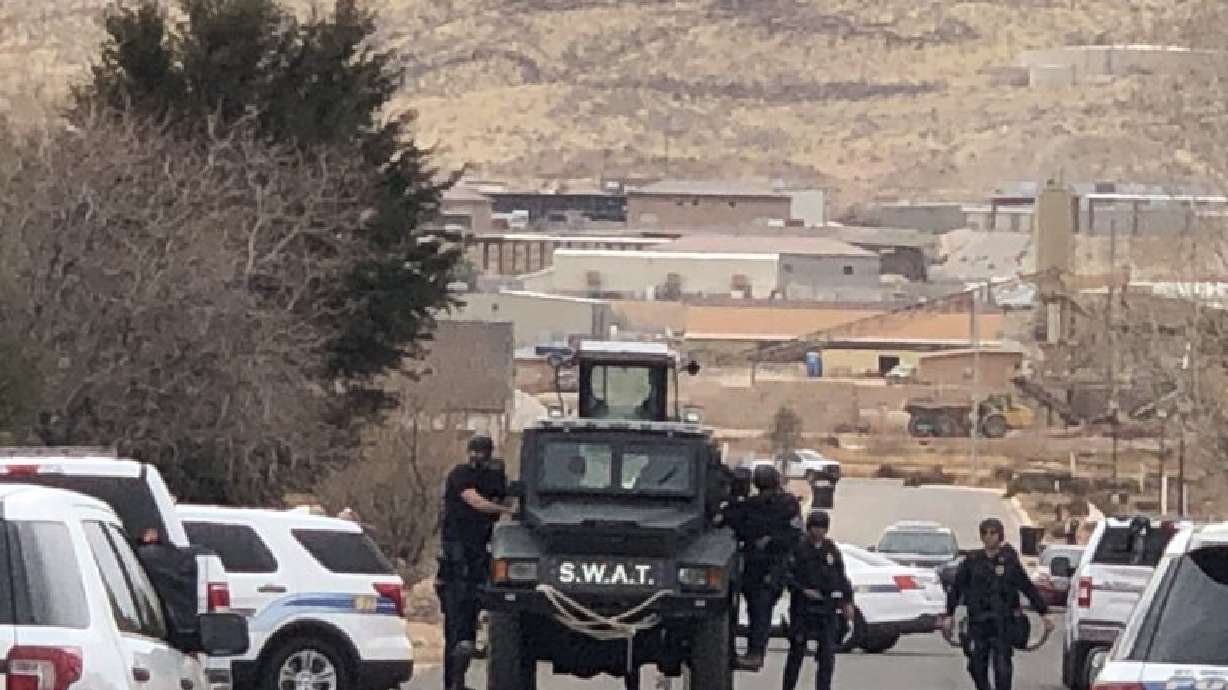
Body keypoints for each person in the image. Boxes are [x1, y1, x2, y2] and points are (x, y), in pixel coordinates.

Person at [438, 434, 515, 690]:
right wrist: (504, 510)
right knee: (456, 629)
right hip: (456, 560)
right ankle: (452, 684)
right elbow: (475, 501)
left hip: (480, 557)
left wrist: (506, 498)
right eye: (474, 451)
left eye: (481, 452)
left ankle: (459, 682)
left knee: (472, 629)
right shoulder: (460, 474)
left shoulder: (494, 478)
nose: (476, 457)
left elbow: (507, 497)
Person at [941, 518, 1053, 690]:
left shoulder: (1009, 561)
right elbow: (956, 588)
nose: (989, 537)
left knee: (1002, 668)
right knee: (976, 666)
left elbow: (1027, 587)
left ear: (1000, 535)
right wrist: (949, 615)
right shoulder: (972, 561)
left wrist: (1044, 613)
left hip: (1004, 622)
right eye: (985, 533)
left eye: (993, 533)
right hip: (978, 622)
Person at [736, 463, 803, 671]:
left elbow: (794, 534)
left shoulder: (787, 504)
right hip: (753, 566)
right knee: (755, 609)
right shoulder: (752, 504)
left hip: (774, 565)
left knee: (761, 608)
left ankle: (756, 652)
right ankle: (753, 651)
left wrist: (770, 540)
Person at [783, 510, 855, 690]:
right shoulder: (799, 548)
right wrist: (803, 590)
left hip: (827, 607)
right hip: (803, 607)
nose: (819, 532)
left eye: (822, 528)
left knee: (827, 654)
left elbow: (841, 576)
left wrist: (847, 601)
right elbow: (787, 575)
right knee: (797, 651)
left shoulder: (831, 549)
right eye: (815, 527)